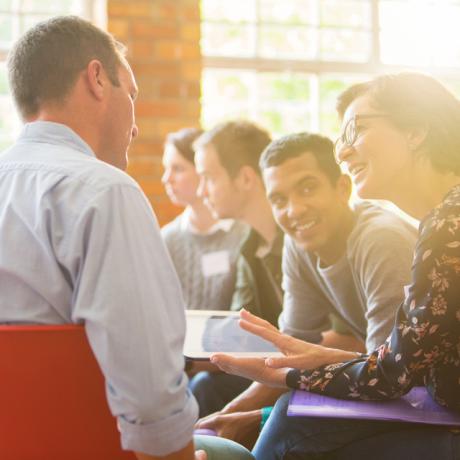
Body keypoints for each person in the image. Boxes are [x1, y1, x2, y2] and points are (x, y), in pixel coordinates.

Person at [1, 16, 254, 460]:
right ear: (97, 79)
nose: (135, 128)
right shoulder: (104, 191)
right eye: (132, 95)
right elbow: (148, 382)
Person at [211, 72, 460, 459]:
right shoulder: (442, 221)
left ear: (416, 130)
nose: (342, 152)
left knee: (292, 418)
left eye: (355, 130)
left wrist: (293, 373)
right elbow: (402, 362)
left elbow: (393, 374)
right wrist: (308, 363)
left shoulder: (445, 225)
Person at [195, 132, 417, 449]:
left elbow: (386, 376)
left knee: (285, 419)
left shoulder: (380, 240)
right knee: (214, 410)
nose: (294, 210)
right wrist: (220, 418)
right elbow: (289, 355)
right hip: (385, 379)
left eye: (308, 188)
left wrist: (256, 417)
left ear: (342, 188)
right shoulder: (299, 245)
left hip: (430, 391)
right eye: (279, 200)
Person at [161, 127, 248, 311]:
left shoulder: (245, 233)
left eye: (177, 169)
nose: (166, 179)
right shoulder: (167, 238)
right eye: (166, 169)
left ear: (202, 170)